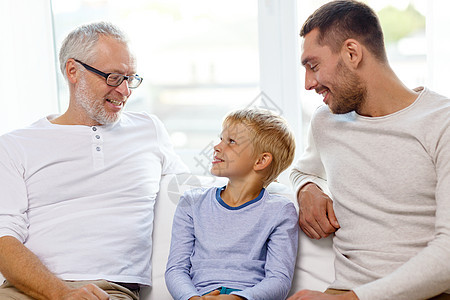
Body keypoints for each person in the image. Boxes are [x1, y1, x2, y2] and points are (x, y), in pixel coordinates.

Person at [0, 22, 189, 300]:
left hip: (108, 292)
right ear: (73, 71)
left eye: (131, 78)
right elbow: (4, 239)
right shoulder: (15, 145)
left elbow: (195, 198)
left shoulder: (149, 130)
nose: (125, 91)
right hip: (25, 289)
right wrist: (61, 293)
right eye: (113, 77)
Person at [288, 1, 450, 300]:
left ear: (352, 53)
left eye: (313, 66)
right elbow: (301, 170)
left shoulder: (442, 122)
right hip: (344, 291)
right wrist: (306, 188)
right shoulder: (326, 122)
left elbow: (448, 255)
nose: (309, 83)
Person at [165, 108, 299, 300]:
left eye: (231, 142)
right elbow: (176, 269)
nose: (217, 147)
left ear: (261, 160)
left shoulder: (280, 211)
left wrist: (238, 298)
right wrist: (191, 298)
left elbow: (279, 279)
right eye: (221, 139)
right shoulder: (192, 202)